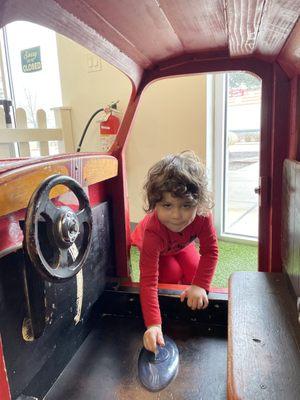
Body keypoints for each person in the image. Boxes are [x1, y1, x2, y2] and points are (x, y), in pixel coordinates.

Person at [131, 151, 219, 353]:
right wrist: (154, 325)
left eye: (186, 205)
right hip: (158, 249)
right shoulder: (153, 231)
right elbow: (148, 281)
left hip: (182, 244)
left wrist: (199, 285)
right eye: (167, 205)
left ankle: (189, 284)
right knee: (170, 276)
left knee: (197, 274)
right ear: (155, 204)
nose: (177, 215)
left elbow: (210, 252)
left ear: (198, 203)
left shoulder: (203, 217)